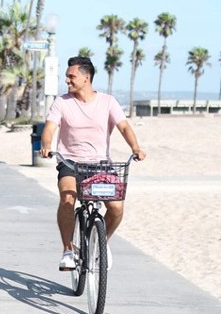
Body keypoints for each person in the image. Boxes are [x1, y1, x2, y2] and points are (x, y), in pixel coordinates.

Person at [39, 56, 147, 271]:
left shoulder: (107, 102)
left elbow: (124, 127)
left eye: (72, 76)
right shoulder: (62, 102)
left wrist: (136, 148)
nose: (67, 81)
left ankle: (101, 241)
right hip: (69, 162)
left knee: (116, 207)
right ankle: (68, 250)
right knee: (67, 198)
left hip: (99, 165)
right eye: (67, 77)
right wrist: (46, 144)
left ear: (86, 78)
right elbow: (50, 127)